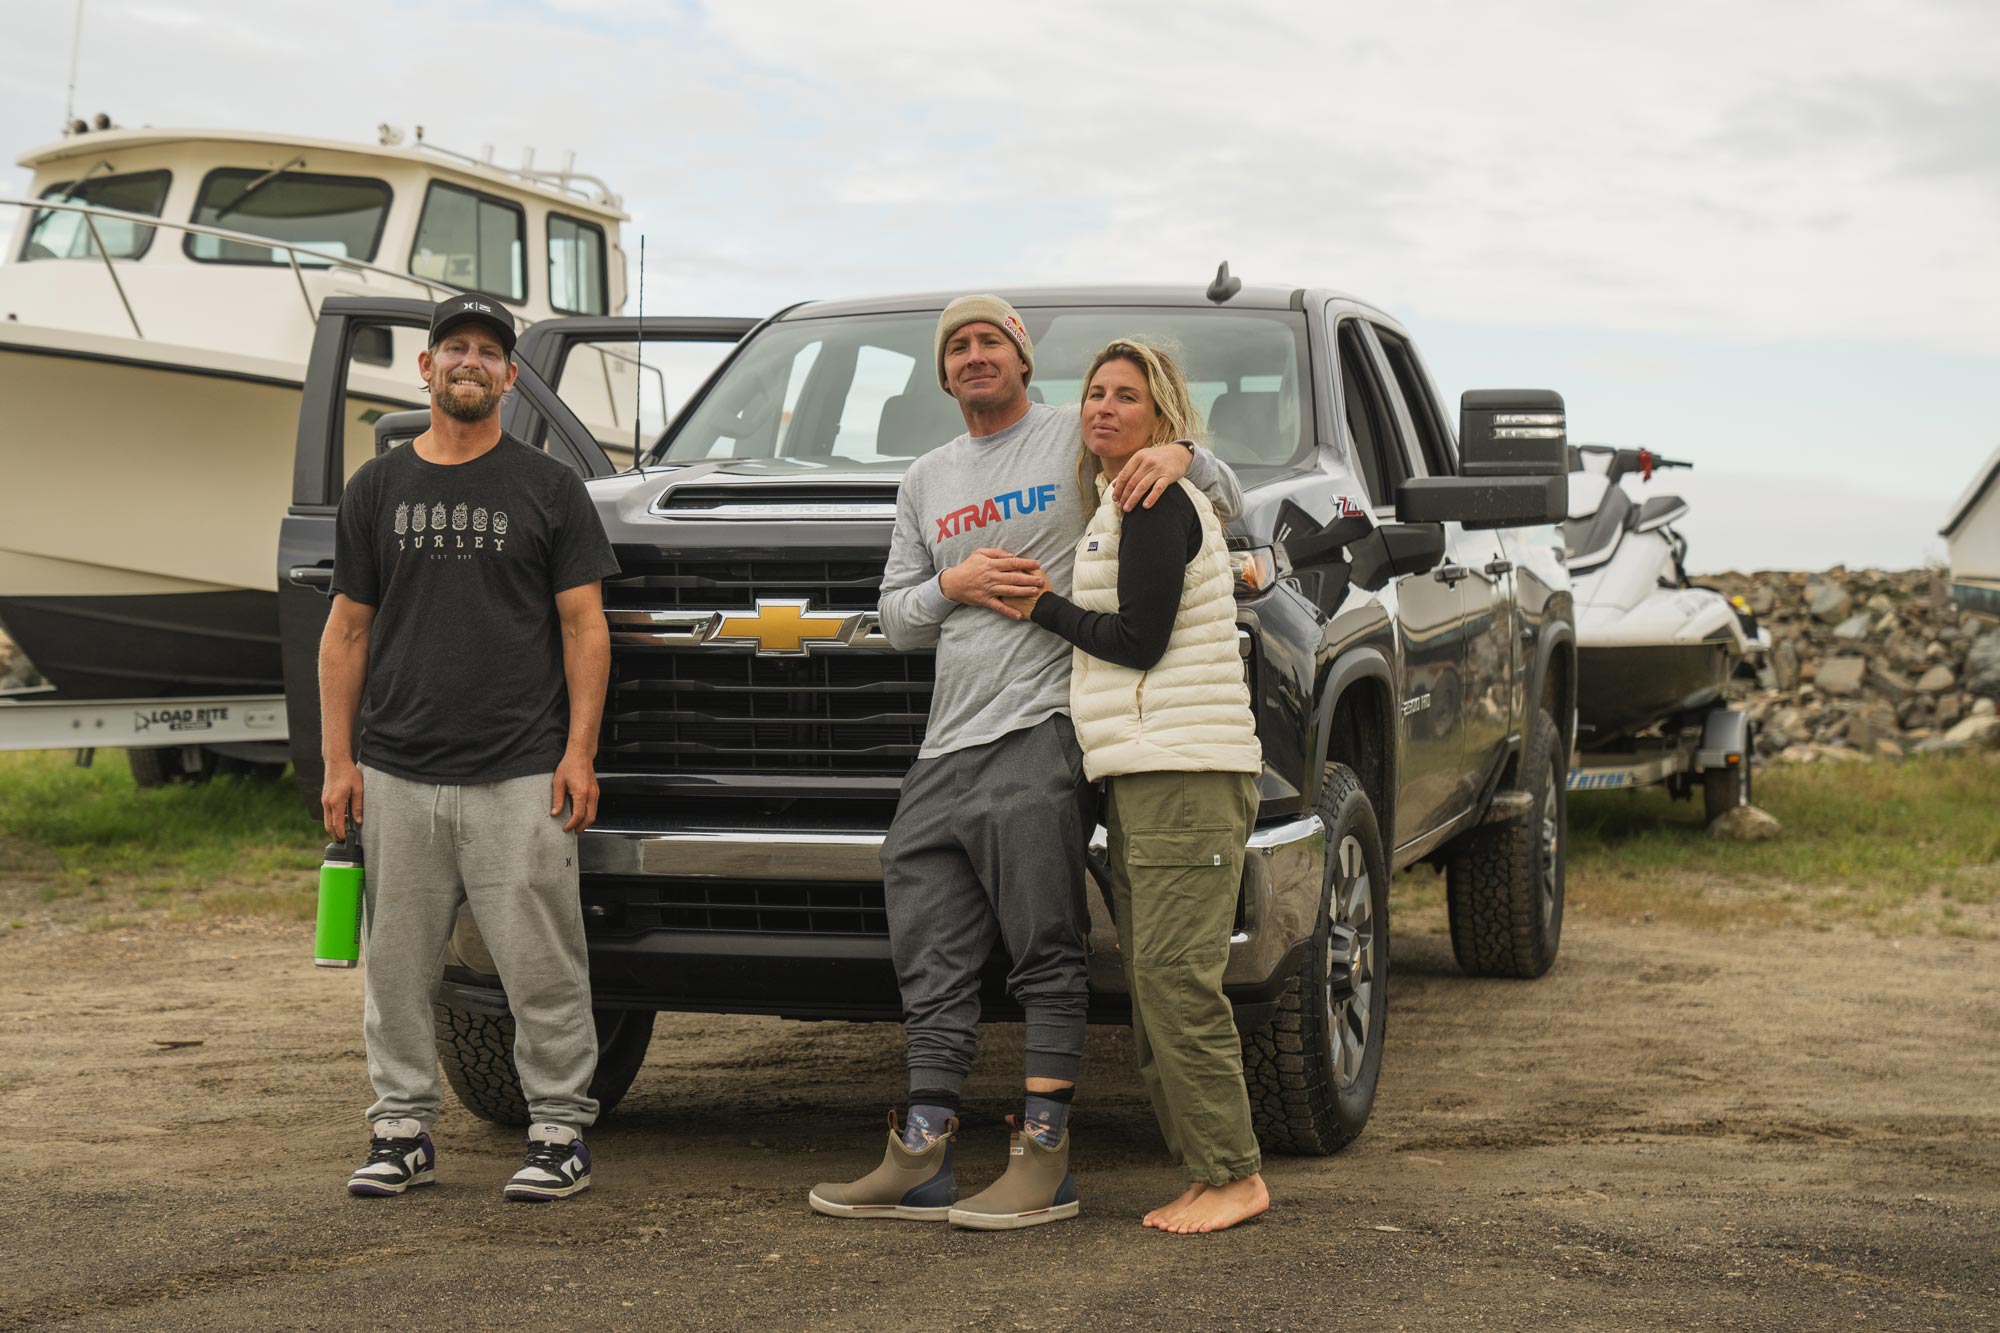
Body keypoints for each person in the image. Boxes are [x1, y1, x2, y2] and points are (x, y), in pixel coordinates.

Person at [807, 296, 1242, 1229]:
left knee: (1045, 942)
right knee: (927, 934)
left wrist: (1184, 453)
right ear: (943, 370)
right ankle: (922, 1147)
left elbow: (1218, 497)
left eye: (989, 342)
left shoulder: (1075, 436)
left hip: (1040, 724)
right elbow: (892, 617)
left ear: (1022, 357)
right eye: (957, 346)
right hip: (945, 739)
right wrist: (949, 584)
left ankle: (1045, 1151)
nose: (973, 357)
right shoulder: (925, 478)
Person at [322, 293, 619, 1203]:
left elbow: (584, 628)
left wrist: (579, 752)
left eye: (489, 352)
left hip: (522, 768)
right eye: (455, 348)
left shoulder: (547, 487)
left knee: (542, 962)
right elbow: (345, 633)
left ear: (510, 377)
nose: (470, 363)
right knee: (398, 967)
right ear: (427, 367)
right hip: (396, 769)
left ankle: (561, 1131)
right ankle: (401, 1130)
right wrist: (340, 763)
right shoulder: (377, 487)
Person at [1001, 339, 1268, 1234]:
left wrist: (1041, 605)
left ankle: (1235, 1174)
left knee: (1177, 980)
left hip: (1186, 772)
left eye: (1127, 397)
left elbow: (1138, 641)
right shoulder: (1118, 503)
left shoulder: (1155, 502)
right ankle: (1205, 1169)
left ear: (1162, 419)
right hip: (1151, 771)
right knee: (1155, 985)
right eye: (1095, 394)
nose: (1105, 408)